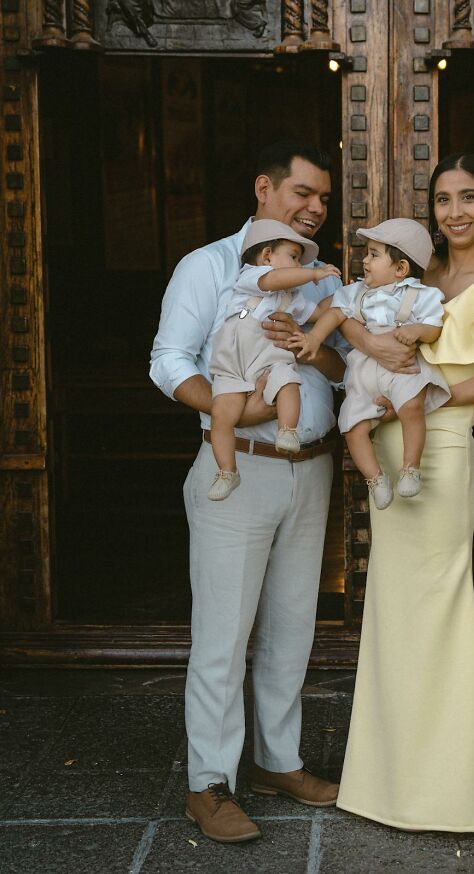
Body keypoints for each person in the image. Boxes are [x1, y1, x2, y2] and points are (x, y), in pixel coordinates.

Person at [336, 153, 474, 832]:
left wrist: (423, 399)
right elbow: (359, 334)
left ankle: (443, 795)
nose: (454, 212)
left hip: (443, 448)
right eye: (444, 200)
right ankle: (386, 787)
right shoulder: (414, 276)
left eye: (469, 197)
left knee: (439, 609)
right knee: (393, 610)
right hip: (387, 442)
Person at [149, 142, 345, 844]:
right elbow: (168, 359)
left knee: (293, 627)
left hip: (312, 465)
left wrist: (309, 345)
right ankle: (210, 783)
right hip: (238, 467)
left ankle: (279, 762)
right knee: (224, 637)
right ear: (263, 188)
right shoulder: (208, 266)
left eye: (323, 197)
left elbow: (341, 363)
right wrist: (242, 412)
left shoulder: (323, 280)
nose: (314, 206)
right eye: (301, 192)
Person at [290, 219, 450, 510]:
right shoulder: (355, 293)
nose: (364, 260)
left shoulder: (420, 295)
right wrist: (314, 337)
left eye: (374, 255)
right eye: (367, 253)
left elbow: (433, 327)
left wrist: (416, 331)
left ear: (401, 268)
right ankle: (376, 479)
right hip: (364, 371)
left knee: (412, 407)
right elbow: (334, 315)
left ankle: (411, 468)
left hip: (402, 368)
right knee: (352, 426)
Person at [207, 219, 341, 499]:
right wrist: (314, 275)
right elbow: (274, 280)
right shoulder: (251, 277)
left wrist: (347, 297)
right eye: (294, 257)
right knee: (222, 415)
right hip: (234, 366)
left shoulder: (290, 299)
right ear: (267, 255)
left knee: (288, 382)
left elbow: (317, 313)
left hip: (269, 360)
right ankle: (226, 470)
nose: (299, 266)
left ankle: (287, 431)